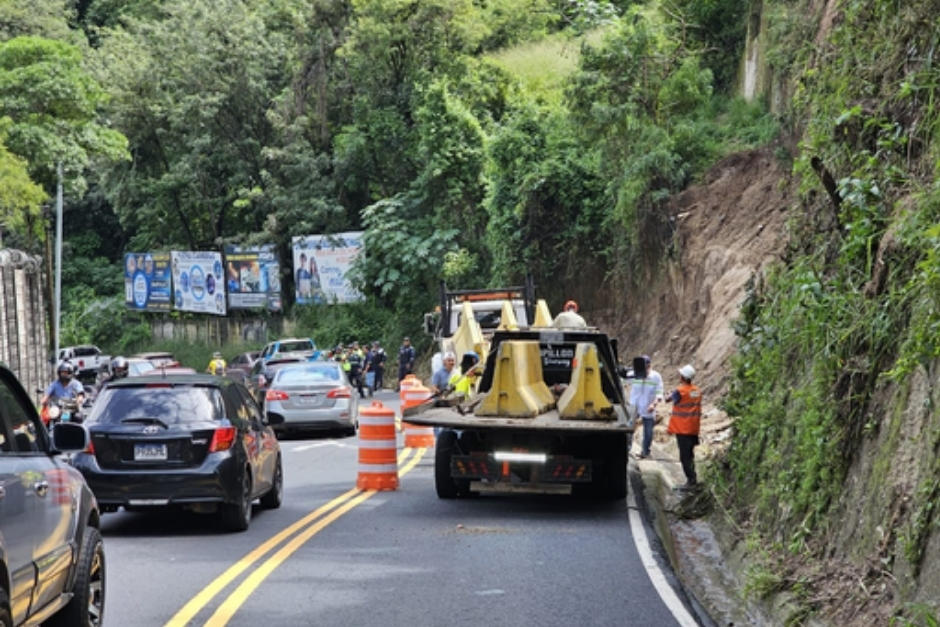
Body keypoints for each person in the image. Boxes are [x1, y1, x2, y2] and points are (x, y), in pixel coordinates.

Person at [667, 364, 702, 491]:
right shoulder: (697, 391)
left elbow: (669, 399)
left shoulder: (680, 391)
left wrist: (670, 394)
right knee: (690, 455)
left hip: (683, 428)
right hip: (693, 428)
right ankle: (693, 478)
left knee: (684, 457)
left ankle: (691, 481)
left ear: (682, 377)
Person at [629, 355, 664, 459]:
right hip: (634, 406)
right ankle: (627, 450)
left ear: (649, 366)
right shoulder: (633, 375)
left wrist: (654, 404)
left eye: (645, 367)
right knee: (629, 428)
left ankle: (645, 452)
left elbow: (659, 392)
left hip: (648, 407)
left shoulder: (656, 377)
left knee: (648, 432)